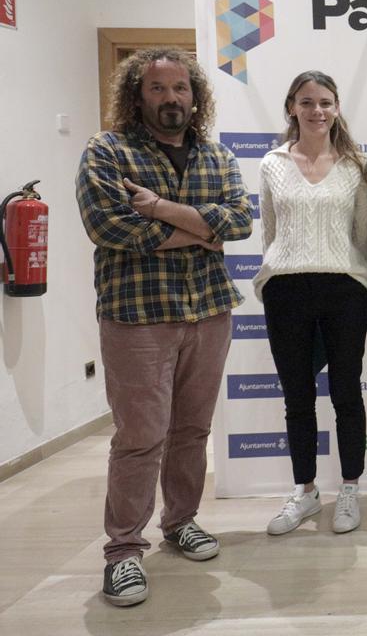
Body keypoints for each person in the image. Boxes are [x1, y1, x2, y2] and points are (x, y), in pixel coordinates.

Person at [76, 48, 253, 606]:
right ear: (137, 94)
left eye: (181, 89)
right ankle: (123, 551)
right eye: (158, 88)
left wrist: (158, 207)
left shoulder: (217, 155)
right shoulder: (107, 151)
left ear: (195, 96)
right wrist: (203, 230)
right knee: (139, 438)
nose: (171, 98)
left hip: (208, 310)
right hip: (137, 314)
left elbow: (240, 222)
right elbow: (110, 226)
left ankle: (181, 522)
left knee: (192, 430)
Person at [253, 71, 367, 536]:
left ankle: (349, 490)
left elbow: (364, 234)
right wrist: (284, 267)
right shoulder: (271, 163)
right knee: (296, 396)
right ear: (292, 107)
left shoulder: (355, 166)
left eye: (325, 102)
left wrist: (344, 267)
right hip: (286, 289)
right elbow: (270, 231)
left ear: (337, 107)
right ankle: (305, 492)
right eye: (307, 102)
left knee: (347, 391)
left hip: (343, 288)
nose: (317, 110)